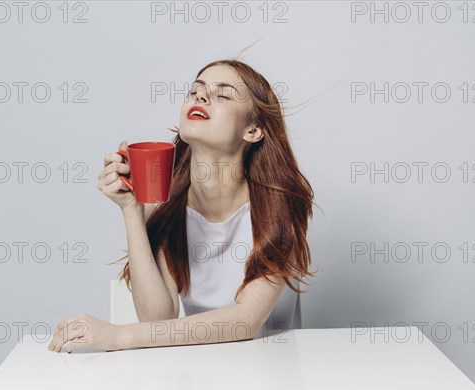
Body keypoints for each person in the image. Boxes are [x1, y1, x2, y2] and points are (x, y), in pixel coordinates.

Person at [48, 59, 318, 353]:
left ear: (252, 130)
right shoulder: (170, 206)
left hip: (272, 374)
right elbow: (157, 318)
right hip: (195, 368)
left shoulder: (280, 205)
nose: (200, 97)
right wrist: (132, 210)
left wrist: (119, 337)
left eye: (223, 95)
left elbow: (244, 322)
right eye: (195, 91)